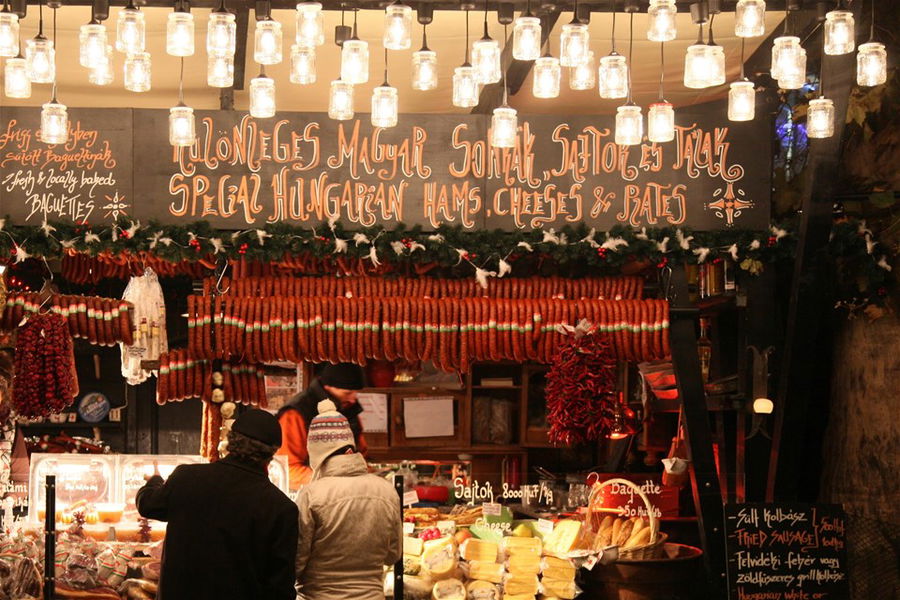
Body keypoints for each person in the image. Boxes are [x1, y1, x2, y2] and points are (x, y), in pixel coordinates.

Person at [136, 409, 298, 600]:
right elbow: (280, 585)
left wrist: (155, 480)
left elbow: (147, 504)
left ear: (230, 441)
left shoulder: (186, 477)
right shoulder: (280, 507)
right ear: (271, 453)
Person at [295, 399, 401, 600]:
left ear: (316, 454)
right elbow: (392, 555)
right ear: (350, 447)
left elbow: (297, 563)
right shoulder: (386, 491)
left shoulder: (311, 495)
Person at [277, 362, 369, 488]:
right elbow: (289, 470)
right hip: (308, 496)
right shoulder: (295, 415)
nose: (353, 399)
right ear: (327, 387)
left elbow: (361, 455)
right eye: (347, 393)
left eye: (355, 393)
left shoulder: (348, 408)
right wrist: (337, 482)